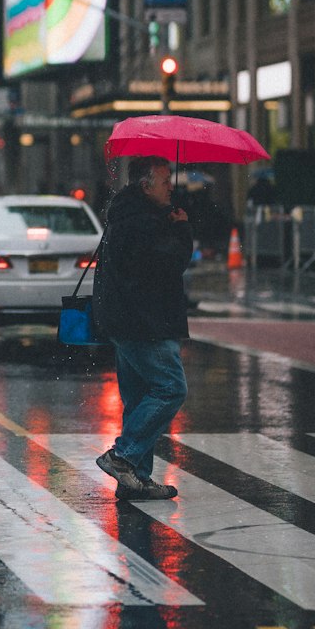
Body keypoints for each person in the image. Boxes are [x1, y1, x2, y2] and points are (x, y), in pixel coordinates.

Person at [92, 154, 192, 500]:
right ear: (145, 185)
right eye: (165, 182)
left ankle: (136, 479)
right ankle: (123, 457)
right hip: (147, 322)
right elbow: (171, 264)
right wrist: (181, 228)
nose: (171, 188)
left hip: (126, 321)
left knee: (137, 400)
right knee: (170, 388)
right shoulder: (144, 223)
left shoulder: (127, 215)